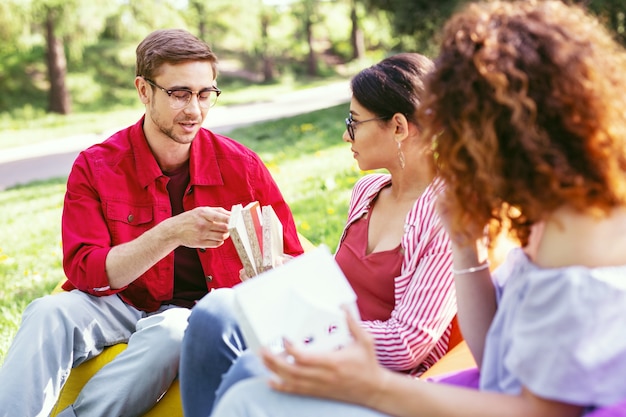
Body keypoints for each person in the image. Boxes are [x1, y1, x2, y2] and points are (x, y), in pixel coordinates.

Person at [210, 1, 626, 416]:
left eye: (461, 124)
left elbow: (542, 412)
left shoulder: (579, 239)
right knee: (229, 341)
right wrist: (467, 248)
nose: (451, 140)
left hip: (427, 388)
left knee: (248, 396)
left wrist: (371, 387)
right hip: (455, 385)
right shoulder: (550, 214)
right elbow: (491, 358)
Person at [0, 28, 303, 417]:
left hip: (195, 312)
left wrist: (266, 272)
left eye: (205, 93)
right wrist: (172, 232)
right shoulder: (96, 165)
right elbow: (87, 272)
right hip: (119, 301)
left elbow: (290, 258)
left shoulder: (242, 167)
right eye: (179, 94)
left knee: (172, 332)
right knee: (47, 312)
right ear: (144, 91)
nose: (194, 109)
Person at [179, 53, 457, 416]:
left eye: (354, 122)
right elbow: (339, 286)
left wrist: (303, 328)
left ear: (400, 127)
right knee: (213, 312)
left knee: (252, 369)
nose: (345, 134)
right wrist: (283, 274)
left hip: (382, 377)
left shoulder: (448, 215)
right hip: (325, 340)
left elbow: (407, 344)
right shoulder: (368, 192)